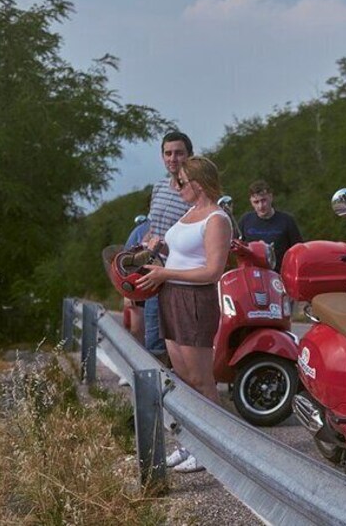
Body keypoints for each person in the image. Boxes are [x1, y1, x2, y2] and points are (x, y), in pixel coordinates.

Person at [137, 156, 231, 473]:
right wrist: (157, 264)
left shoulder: (217, 219)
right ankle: (189, 443)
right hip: (171, 295)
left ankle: (212, 449)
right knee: (184, 381)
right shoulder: (190, 213)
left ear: (198, 184)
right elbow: (179, 255)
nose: (176, 188)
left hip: (194, 299)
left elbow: (213, 271)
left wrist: (166, 275)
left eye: (181, 182)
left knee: (202, 381)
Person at [142, 131, 193, 361]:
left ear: (189, 156)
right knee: (153, 339)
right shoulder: (159, 187)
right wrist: (146, 242)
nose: (173, 158)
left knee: (180, 343)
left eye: (179, 153)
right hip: (153, 273)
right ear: (162, 157)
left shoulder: (195, 193)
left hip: (180, 279)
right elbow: (153, 227)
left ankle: (181, 394)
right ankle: (157, 395)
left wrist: (166, 247)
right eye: (168, 153)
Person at [237, 180, 303, 271]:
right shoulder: (245, 220)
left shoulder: (287, 220)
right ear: (251, 202)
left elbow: (298, 251)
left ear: (271, 197)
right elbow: (235, 248)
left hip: (279, 275)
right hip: (252, 275)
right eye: (256, 202)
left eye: (263, 200)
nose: (261, 206)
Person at [122, 215, 150, 345]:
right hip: (140, 287)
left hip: (167, 286)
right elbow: (125, 261)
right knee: (137, 331)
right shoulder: (141, 230)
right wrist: (127, 292)